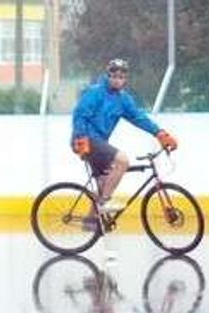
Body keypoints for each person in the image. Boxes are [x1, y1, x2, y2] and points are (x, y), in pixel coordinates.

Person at [71, 58, 177, 214]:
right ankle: (105, 202)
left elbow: (138, 118)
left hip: (99, 142)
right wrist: (81, 138)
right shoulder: (95, 92)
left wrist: (160, 133)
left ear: (125, 79)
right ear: (108, 76)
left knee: (104, 182)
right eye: (113, 75)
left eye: (121, 77)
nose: (117, 79)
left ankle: (92, 222)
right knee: (122, 161)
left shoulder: (123, 99)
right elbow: (80, 114)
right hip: (86, 139)